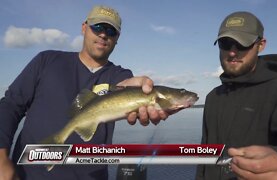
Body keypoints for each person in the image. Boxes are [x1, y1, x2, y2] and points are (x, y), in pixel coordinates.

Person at [0, 5, 170, 180]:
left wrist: (137, 87)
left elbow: (124, 85)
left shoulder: (119, 75)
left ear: (117, 38)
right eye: (97, 27)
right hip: (30, 174)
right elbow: (10, 105)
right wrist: (1, 158)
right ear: (84, 28)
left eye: (110, 31)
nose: (103, 34)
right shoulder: (47, 61)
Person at [195, 11, 277, 180]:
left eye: (242, 44)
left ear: (260, 44)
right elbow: (206, 156)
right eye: (226, 43)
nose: (232, 52)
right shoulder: (213, 97)